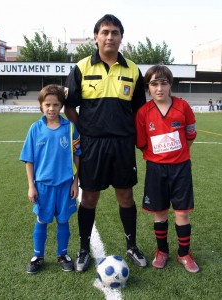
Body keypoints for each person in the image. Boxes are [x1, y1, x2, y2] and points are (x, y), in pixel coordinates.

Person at [64, 14, 147, 272]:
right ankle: (84, 248)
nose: (110, 36)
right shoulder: (81, 67)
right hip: (92, 146)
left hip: (122, 145)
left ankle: (132, 245)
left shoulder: (133, 70)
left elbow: (140, 112)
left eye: (115, 32)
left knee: (125, 196)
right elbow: (69, 106)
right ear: (96, 37)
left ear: (121, 37)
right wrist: (84, 130)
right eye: (105, 32)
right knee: (89, 198)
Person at [135, 65, 200, 273]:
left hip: (180, 169)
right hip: (156, 169)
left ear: (170, 84)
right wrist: (158, 157)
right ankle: (162, 252)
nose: (159, 88)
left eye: (163, 83)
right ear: (148, 87)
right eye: (154, 84)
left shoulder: (183, 107)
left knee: (182, 213)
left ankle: (184, 254)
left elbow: (190, 135)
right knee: (160, 212)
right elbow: (142, 143)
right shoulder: (143, 112)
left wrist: (179, 156)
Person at [20, 84, 81, 274]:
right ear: (41, 106)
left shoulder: (69, 128)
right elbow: (28, 159)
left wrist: (75, 181)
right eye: (47, 105)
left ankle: (62, 255)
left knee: (63, 221)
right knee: (42, 220)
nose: (51, 109)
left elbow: (77, 155)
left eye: (55, 105)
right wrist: (31, 186)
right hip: (43, 185)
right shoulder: (35, 128)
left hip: (65, 185)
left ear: (61, 106)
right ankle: (38, 256)